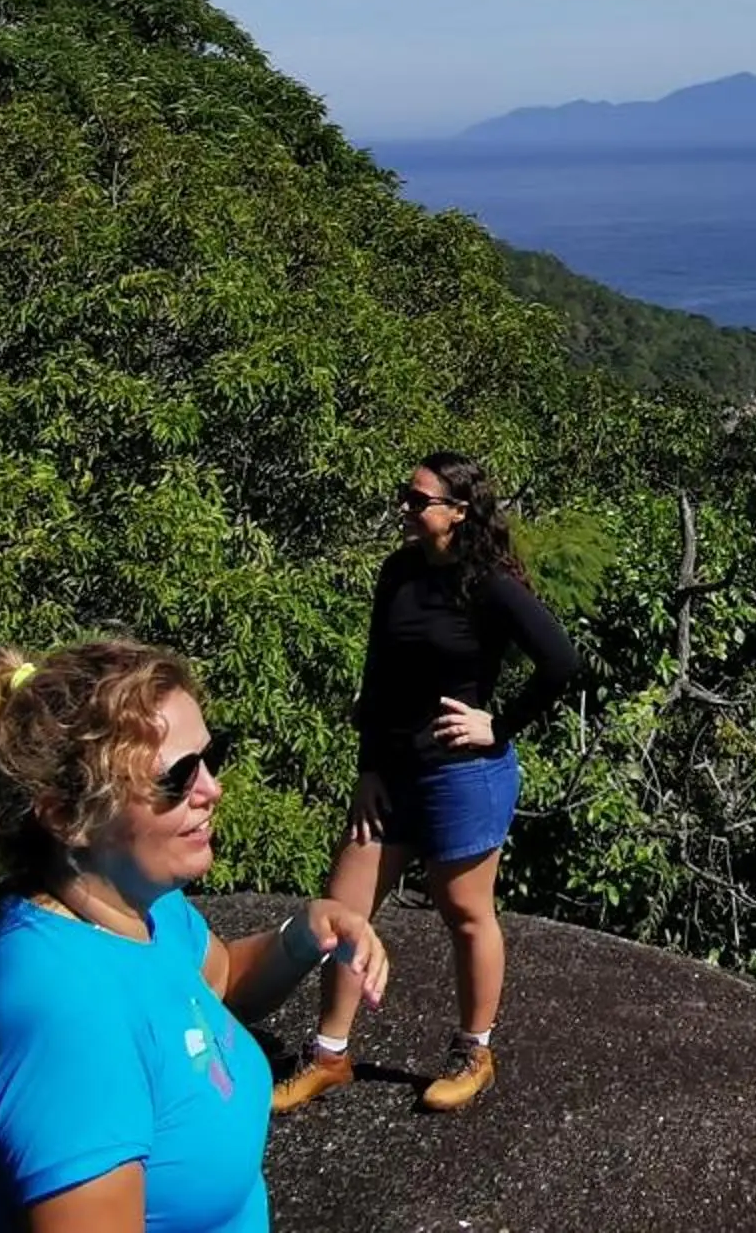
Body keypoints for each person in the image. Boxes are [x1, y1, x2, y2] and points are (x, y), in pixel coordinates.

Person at [0, 637, 391, 1233]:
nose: (211, 789)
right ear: (63, 816)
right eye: (177, 777)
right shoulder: (69, 1018)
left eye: (210, 758)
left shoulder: (136, 908)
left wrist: (304, 934)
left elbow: (219, 980)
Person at [270, 452, 582, 1117]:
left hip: (462, 777)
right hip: (393, 773)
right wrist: (367, 770)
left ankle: (474, 1051)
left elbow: (561, 662)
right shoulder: (399, 572)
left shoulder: (490, 585)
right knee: (344, 912)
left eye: (417, 501)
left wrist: (497, 726)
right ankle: (328, 1055)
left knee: (465, 914)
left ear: (457, 512)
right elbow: (378, 677)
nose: (405, 510)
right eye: (404, 497)